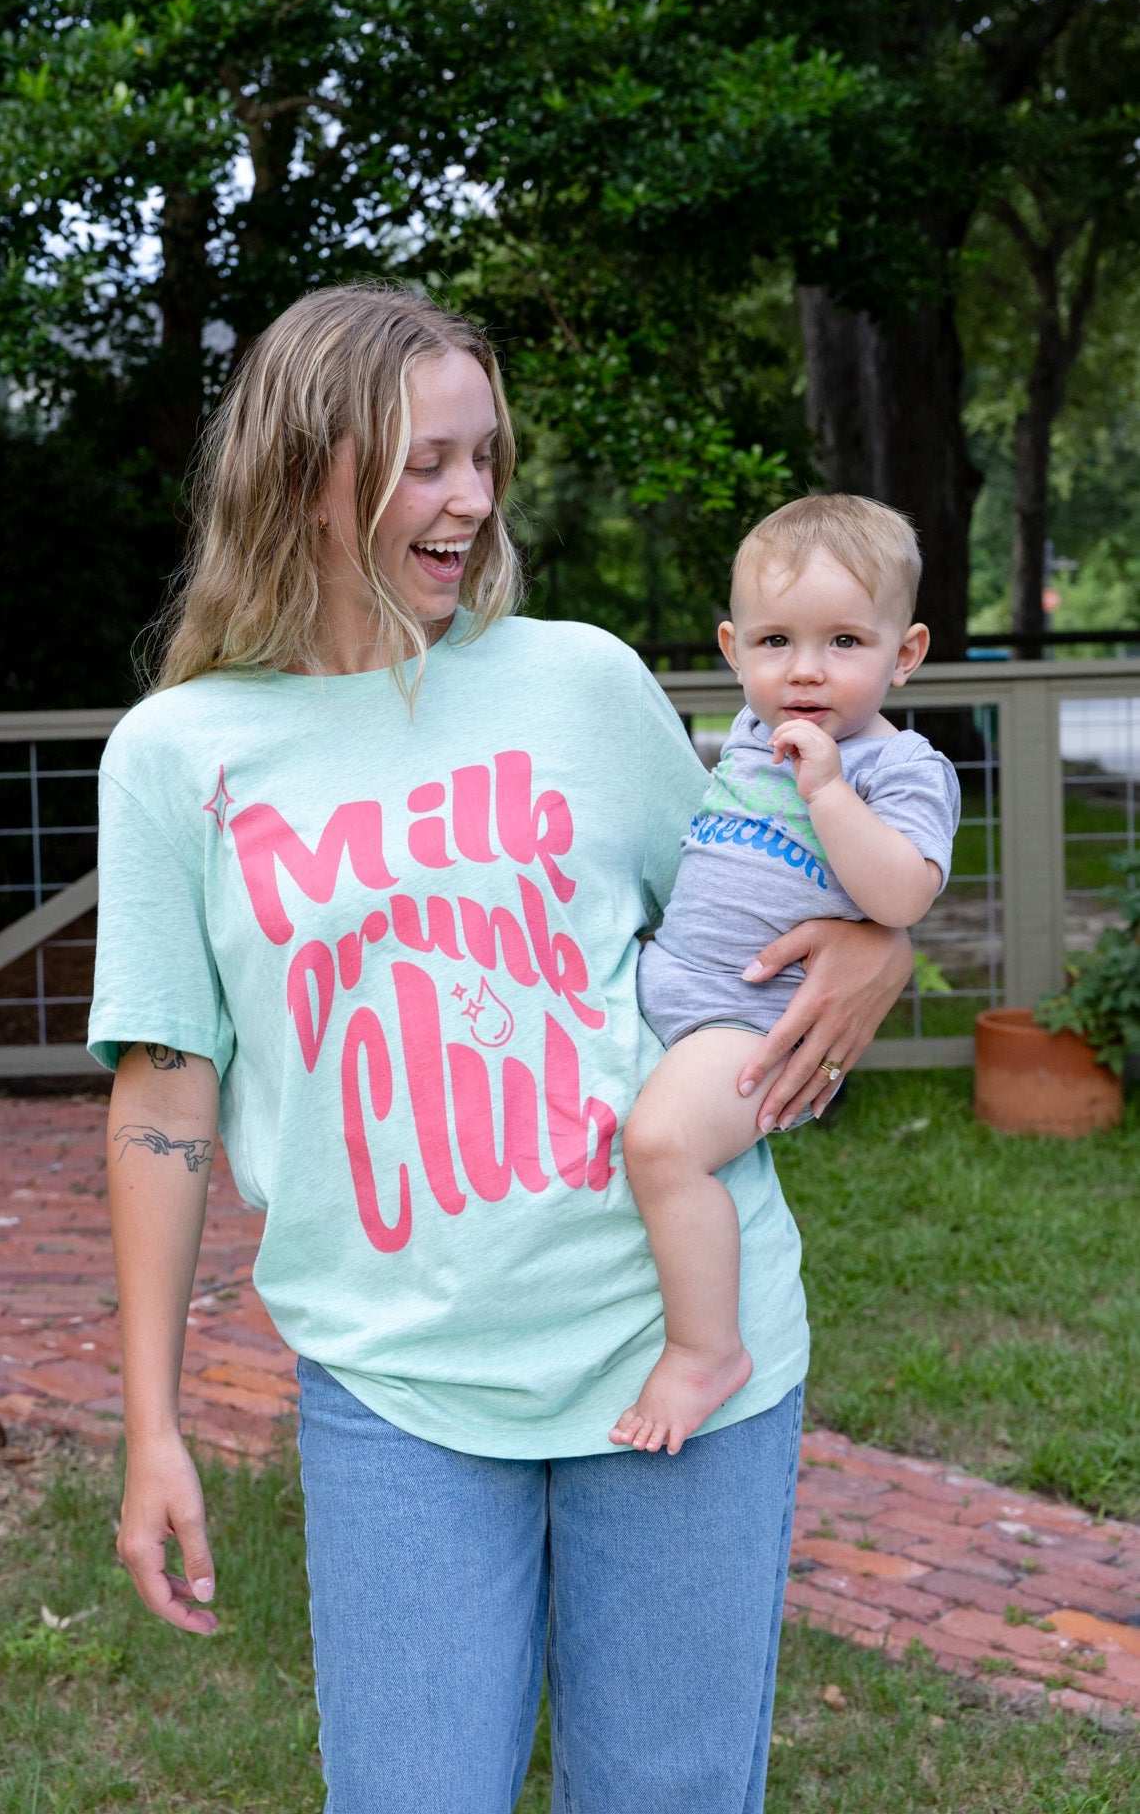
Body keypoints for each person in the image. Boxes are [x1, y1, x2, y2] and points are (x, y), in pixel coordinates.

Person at [86, 285, 914, 1813]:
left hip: (675, 1347)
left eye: (482, 457)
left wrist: (884, 940)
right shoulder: (178, 755)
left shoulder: (579, 682)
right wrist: (152, 1425)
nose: (467, 498)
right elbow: (162, 1094)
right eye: (421, 461)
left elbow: (753, 890)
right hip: (395, 1376)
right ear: (302, 469)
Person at [611, 496, 961, 1455]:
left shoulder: (898, 768)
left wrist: (828, 791)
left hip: (750, 1025)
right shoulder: (745, 733)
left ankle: (705, 1349)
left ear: (904, 653)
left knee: (661, 1147)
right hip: (670, 986)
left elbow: (899, 897)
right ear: (733, 648)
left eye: (844, 640)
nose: (805, 668)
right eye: (775, 640)